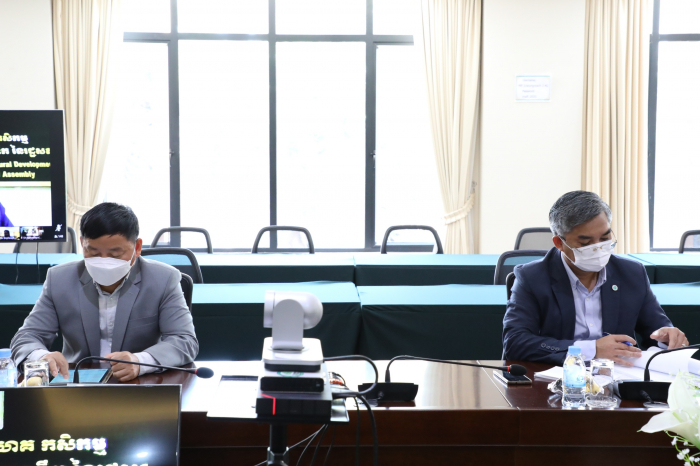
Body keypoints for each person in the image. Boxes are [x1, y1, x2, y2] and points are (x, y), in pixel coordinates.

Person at [11, 203, 198, 382]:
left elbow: (184, 340)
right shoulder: (59, 279)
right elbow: (27, 337)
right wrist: (41, 356)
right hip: (77, 383)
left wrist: (140, 361)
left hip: (139, 384)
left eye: (115, 254)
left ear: (137, 247)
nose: (104, 261)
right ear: (82, 243)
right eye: (93, 253)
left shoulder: (163, 279)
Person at [503, 191, 687, 366]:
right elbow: (515, 342)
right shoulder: (532, 277)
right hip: (559, 378)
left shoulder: (632, 273)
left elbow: (655, 330)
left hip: (618, 377)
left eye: (605, 238)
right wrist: (590, 350)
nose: (598, 248)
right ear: (559, 243)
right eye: (586, 243)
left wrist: (666, 338)